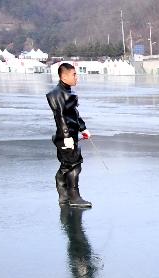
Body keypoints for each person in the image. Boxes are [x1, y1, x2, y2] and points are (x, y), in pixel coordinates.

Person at [46, 62, 92, 208]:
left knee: (69, 165)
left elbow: (74, 114)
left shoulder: (68, 92)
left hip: (72, 135)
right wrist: (66, 137)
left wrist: (83, 128)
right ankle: (73, 197)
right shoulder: (56, 94)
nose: (76, 77)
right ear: (64, 76)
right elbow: (59, 117)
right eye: (74, 74)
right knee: (74, 166)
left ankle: (64, 195)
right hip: (65, 137)